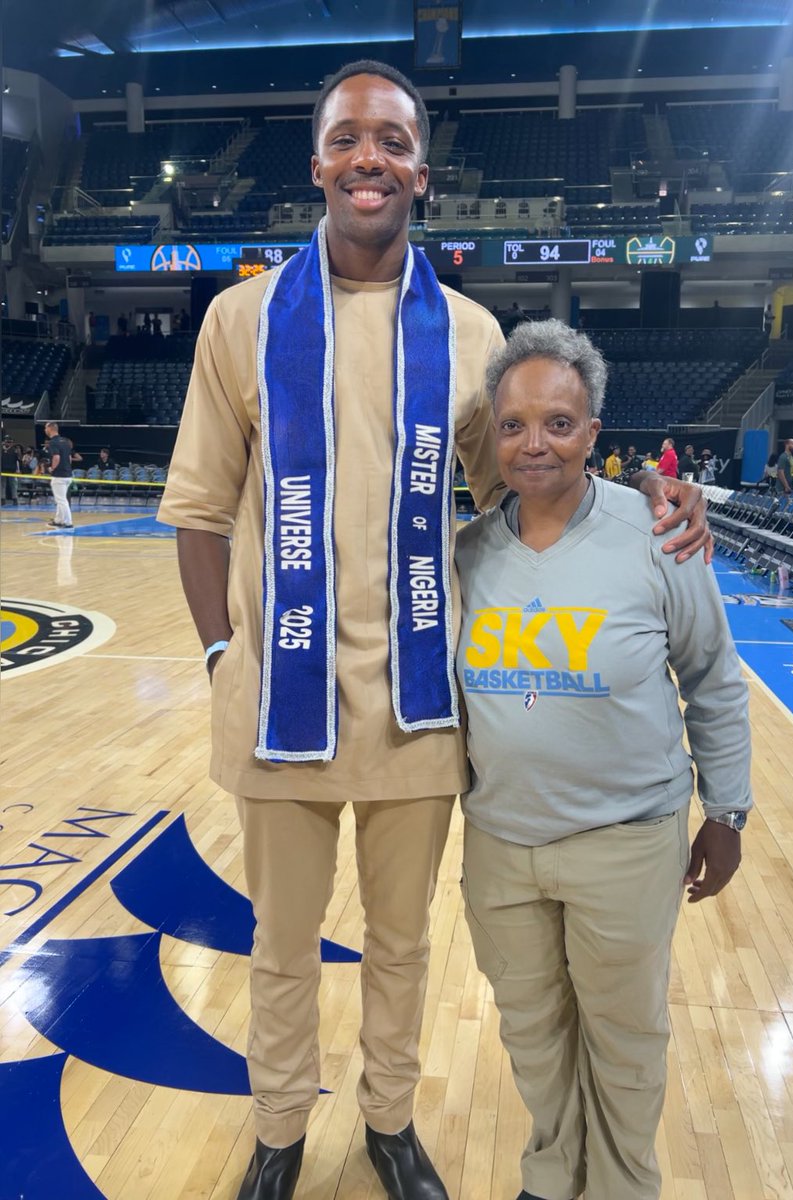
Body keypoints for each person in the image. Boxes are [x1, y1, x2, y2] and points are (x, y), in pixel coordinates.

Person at [157, 60, 711, 1200]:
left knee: (402, 944)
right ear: (318, 163)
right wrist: (221, 655)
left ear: (421, 171)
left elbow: (527, 484)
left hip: (419, 703)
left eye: (393, 142)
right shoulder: (238, 320)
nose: (370, 158)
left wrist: (642, 489)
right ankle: (276, 1131)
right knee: (280, 947)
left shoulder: (469, 332)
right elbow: (200, 510)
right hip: (279, 703)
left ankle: (390, 1120)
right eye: (347, 138)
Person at [455, 321, 751, 1200]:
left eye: (557, 423)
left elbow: (712, 678)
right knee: (530, 1031)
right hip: (500, 843)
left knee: (624, 1039)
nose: (533, 443)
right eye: (513, 425)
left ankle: (624, 1186)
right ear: (493, 435)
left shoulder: (658, 535)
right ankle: (553, 1175)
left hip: (624, 842)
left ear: (592, 433)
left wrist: (726, 812)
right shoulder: (467, 553)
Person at [44, 421, 73, 528]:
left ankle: (68, 522)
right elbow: (69, 458)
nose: (45, 430)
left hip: (59, 475)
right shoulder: (65, 441)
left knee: (61, 500)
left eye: (45, 428)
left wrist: (52, 468)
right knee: (61, 499)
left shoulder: (53, 442)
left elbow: (56, 457)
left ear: (50, 428)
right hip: (67, 474)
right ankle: (59, 520)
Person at [1, 437, 19, 505]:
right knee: (2, 485)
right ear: (4, 442)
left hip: (12, 471)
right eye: (6, 442)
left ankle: (15, 499)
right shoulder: (1, 450)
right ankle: (2, 499)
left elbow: (18, 460)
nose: (8, 443)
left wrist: (17, 469)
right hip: (3, 470)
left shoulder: (14, 450)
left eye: (9, 442)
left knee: (13, 485)